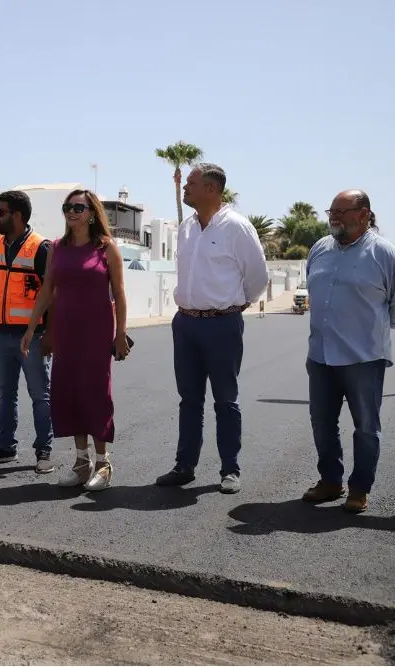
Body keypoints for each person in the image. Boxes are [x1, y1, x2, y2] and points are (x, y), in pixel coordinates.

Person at [156, 163, 268, 494]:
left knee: (225, 400)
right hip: (186, 323)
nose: (184, 188)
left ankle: (230, 470)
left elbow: (258, 276)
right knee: (189, 399)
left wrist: (237, 305)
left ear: (211, 189)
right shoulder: (187, 227)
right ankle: (184, 466)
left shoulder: (236, 227)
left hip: (222, 325)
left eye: (190, 183)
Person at [302, 190, 395, 513]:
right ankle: (330, 482)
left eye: (342, 211)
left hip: (364, 358)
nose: (333, 217)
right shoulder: (319, 250)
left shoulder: (385, 254)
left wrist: (372, 330)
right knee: (322, 422)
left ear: (364, 214)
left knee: (366, 426)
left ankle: (359, 489)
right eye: (331, 211)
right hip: (321, 356)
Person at [22, 189, 129, 491]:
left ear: (92, 213)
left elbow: (119, 294)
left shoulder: (106, 248)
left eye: (78, 208)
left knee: (95, 393)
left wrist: (120, 333)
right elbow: (47, 291)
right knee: (69, 392)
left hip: (96, 331)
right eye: (67, 207)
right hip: (66, 331)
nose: (71, 212)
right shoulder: (57, 247)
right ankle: (81, 462)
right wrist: (32, 328)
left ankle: (103, 463)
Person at [0, 191, 55, 473]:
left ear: (18, 216)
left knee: (40, 395)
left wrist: (49, 333)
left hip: (31, 335)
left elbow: (51, 293)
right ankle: (6, 447)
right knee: (4, 393)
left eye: (2, 212)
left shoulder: (41, 247)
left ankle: (43, 451)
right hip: (0, 332)